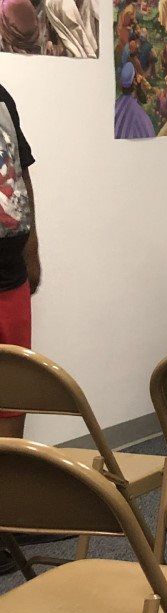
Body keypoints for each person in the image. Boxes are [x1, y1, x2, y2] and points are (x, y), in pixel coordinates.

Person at [0, 81, 41, 440]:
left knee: (12, 394)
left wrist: (33, 249)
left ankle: (10, 488)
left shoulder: (2, 97)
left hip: (10, 277)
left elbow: (21, 172)